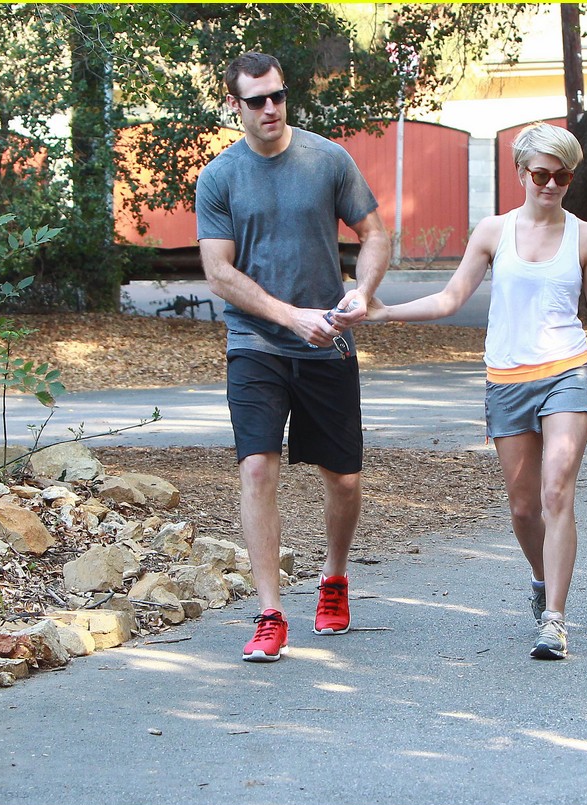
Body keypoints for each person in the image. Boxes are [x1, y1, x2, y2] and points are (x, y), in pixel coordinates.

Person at [365, 123, 587, 660]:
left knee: (557, 491)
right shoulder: (492, 232)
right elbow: (449, 298)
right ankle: (541, 581)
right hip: (507, 380)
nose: (551, 184)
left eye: (562, 176)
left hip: (567, 372)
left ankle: (554, 620)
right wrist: (383, 312)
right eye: (541, 174)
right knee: (522, 508)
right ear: (520, 174)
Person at [195, 52, 390, 662]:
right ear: (235, 106)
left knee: (345, 477)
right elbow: (219, 272)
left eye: (277, 96)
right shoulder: (220, 177)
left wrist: (362, 290)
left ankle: (333, 579)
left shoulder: (327, 159)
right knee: (257, 467)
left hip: (329, 338)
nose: (270, 108)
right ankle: (269, 611)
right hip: (256, 343)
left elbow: (375, 232)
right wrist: (288, 316)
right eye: (256, 100)